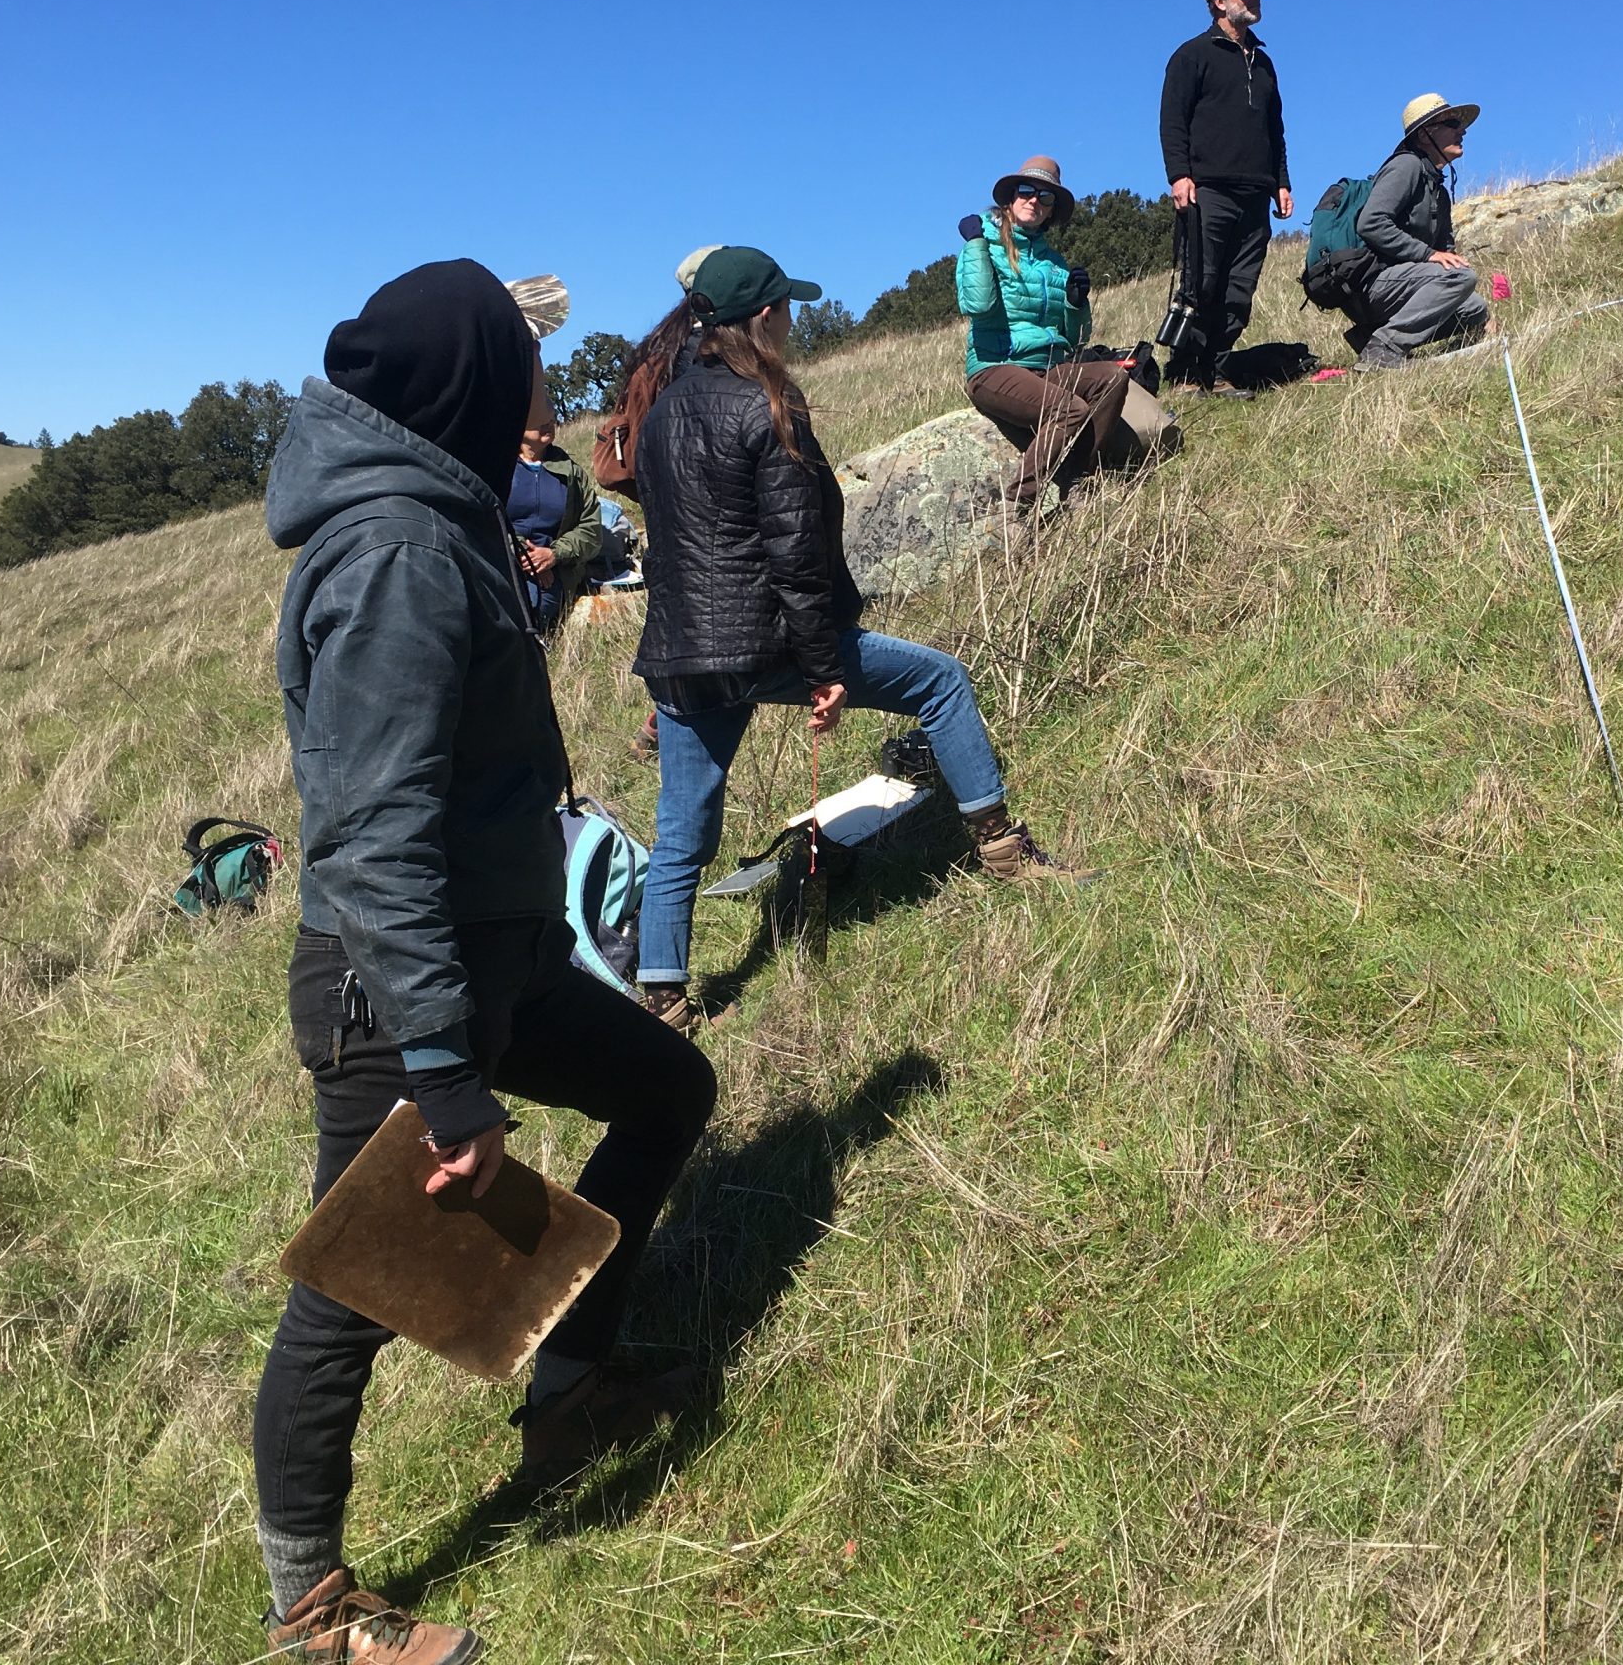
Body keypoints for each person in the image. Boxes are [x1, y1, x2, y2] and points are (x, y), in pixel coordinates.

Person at [255, 258, 718, 1663]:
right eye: (523, 359)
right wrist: (449, 1079)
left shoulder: (434, 519)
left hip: (494, 958)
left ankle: (566, 1385)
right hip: (404, 989)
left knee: (664, 1092)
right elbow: (375, 829)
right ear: (469, 378)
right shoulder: (398, 552)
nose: (544, 385)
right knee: (355, 1292)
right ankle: (314, 1613)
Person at [631, 246, 1085, 1032]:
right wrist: (821, 669)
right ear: (765, 315)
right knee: (941, 681)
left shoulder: (661, 411)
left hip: (679, 654)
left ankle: (665, 1001)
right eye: (788, 309)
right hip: (768, 643)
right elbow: (796, 553)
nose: (793, 321)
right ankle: (1003, 850)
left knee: (682, 835)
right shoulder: (768, 400)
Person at [956, 156, 1129, 512]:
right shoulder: (984, 244)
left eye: (1046, 197)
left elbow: (1076, 337)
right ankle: (1019, 504)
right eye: (1026, 191)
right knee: (1068, 410)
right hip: (995, 366)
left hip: (1047, 366)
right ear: (1010, 198)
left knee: (1112, 377)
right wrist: (974, 246)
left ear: (1052, 212)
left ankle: (1076, 478)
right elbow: (978, 305)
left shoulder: (1055, 263)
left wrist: (1076, 303)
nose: (1034, 200)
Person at [1159, 0, 1292, 387]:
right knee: (1201, 282)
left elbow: (1275, 129)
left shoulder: (1265, 62)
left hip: (1256, 193)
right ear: (1220, 1)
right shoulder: (1191, 55)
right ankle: (1183, 372)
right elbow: (1172, 121)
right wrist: (1179, 175)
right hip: (1207, 190)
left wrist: (1281, 181)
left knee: (1240, 288)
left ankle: (1215, 370)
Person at [1349, 94, 1491, 366]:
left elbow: (1447, 254)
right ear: (1425, 135)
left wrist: (1486, 320)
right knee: (1461, 278)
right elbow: (1371, 223)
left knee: (1475, 309)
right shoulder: (1406, 166)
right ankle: (1383, 348)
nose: (1462, 131)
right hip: (1373, 283)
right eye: (1452, 123)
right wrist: (1427, 254)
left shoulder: (1438, 190)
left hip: (1406, 284)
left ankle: (1371, 335)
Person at [507, 402, 602, 635]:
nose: (547, 422)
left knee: (537, 605)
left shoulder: (571, 472)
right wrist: (526, 558)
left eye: (550, 416)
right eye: (538, 418)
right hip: (506, 563)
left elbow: (591, 529)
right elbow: (487, 517)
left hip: (557, 571)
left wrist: (553, 555)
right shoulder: (500, 467)